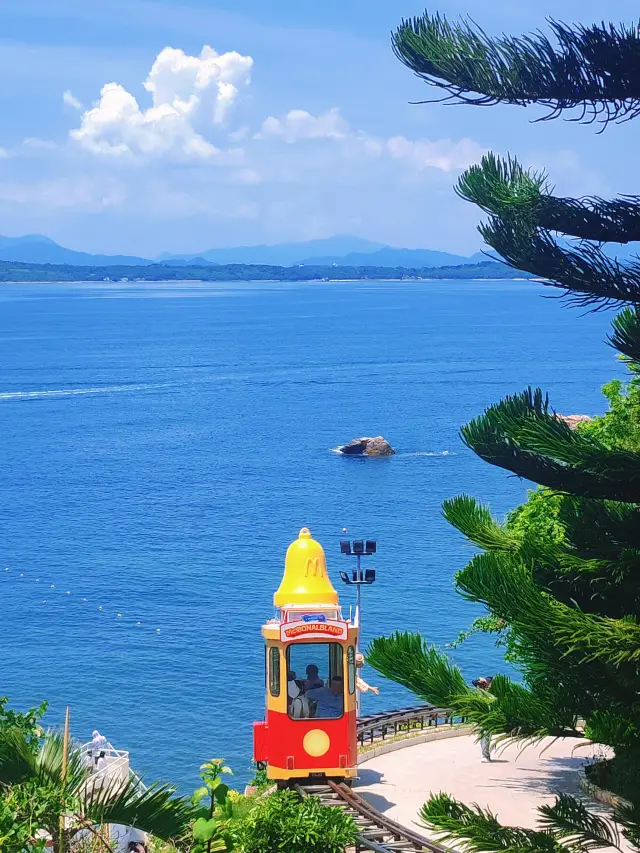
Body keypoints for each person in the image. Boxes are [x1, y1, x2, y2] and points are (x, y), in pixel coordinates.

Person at [472, 677, 493, 760]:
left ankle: (486, 755)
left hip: (488, 717)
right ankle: (485, 754)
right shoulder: (480, 693)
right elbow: (474, 682)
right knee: (482, 736)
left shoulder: (490, 695)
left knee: (486, 736)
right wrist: (480, 680)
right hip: (481, 717)